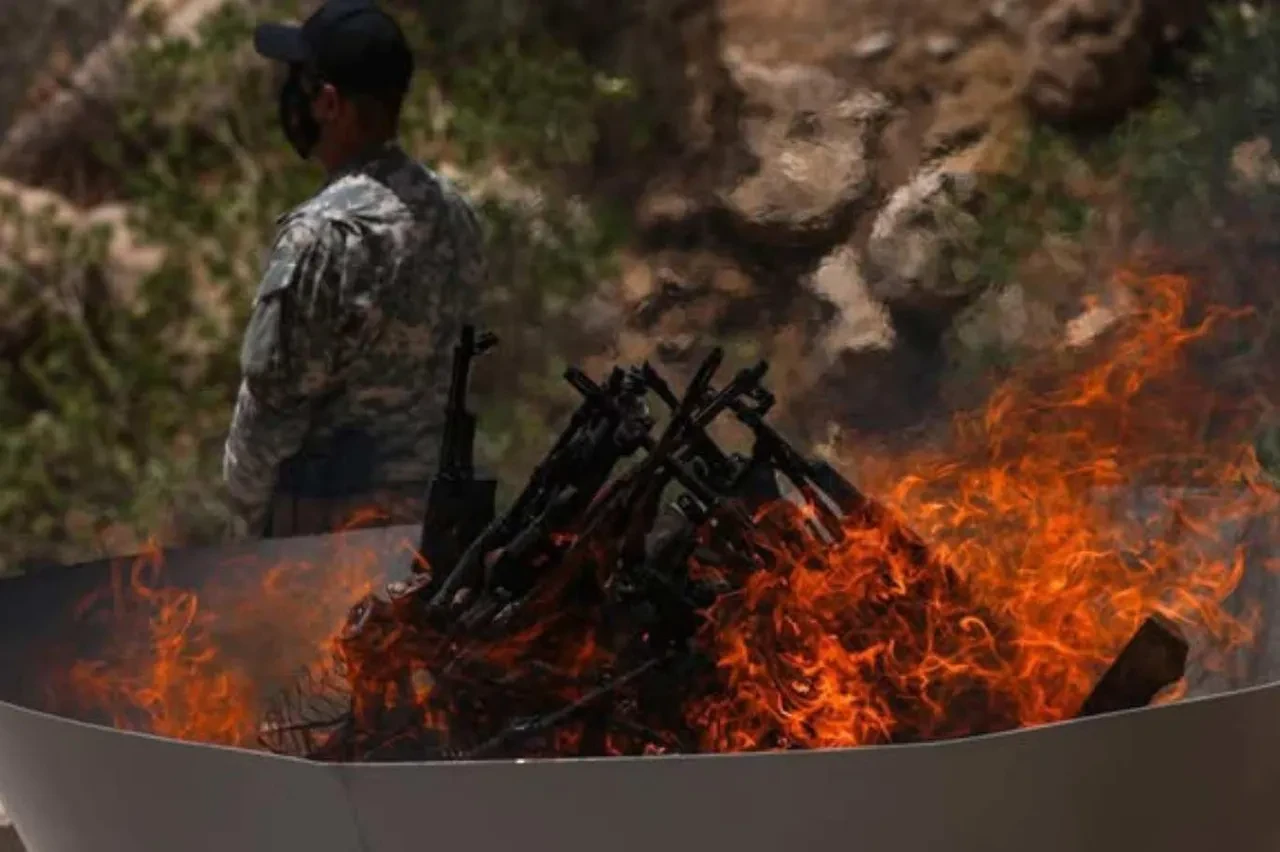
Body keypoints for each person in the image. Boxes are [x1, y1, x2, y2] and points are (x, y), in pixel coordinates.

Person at [223, 0, 487, 538]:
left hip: (329, 548)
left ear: (327, 103)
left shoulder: (323, 233)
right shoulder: (455, 213)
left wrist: (248, 516)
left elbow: (273, 407)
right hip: (433, 533)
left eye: (300, 81)